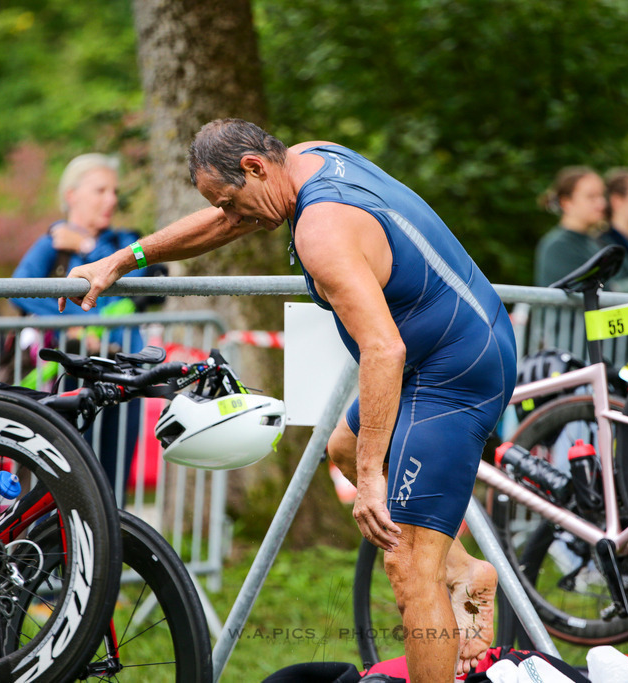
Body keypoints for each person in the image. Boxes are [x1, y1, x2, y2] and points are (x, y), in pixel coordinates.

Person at [62, 119, 516, 682]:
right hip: (449, 343)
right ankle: (466, 571)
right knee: (345, 448)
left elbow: (382, 348)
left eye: (234, 202)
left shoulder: (320, 231)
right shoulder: (305, 159)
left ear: (254, 168)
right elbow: (225, 222)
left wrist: (373, 479)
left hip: (455, 369)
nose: (236, 218)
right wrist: (126, 257)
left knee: (407, 565)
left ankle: (442, 578)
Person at [11, 153, 150, 499]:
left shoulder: (123, 243)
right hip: (69, 375)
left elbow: (139, 277)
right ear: (71, 195)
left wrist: (87, 247)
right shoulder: (51, 245)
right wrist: (74, 324)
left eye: (114, 191)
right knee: (68, 482)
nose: (112, 200)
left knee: (112, 485)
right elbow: (17, 288)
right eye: (100, 190)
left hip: (124, 373)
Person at [533, 167, 608, 287]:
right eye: (591, 197)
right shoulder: (558, 246)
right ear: (566, 202)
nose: (601, 204)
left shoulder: (594, 242)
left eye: (602, 196)